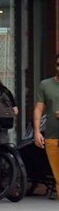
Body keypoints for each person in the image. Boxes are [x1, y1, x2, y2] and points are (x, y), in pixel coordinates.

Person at [36, 56, 59, 198]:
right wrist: (37, 131)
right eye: (58, 64)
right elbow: (38, 109)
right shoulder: (45, 85)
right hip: (52, 137)